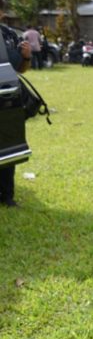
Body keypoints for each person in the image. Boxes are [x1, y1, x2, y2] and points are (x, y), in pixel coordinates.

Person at [0, 23, 31, 208]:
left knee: (7, 145)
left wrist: (26, 57)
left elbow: (20, 68)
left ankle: (6, 194)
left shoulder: (8, 34)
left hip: (5, 96)